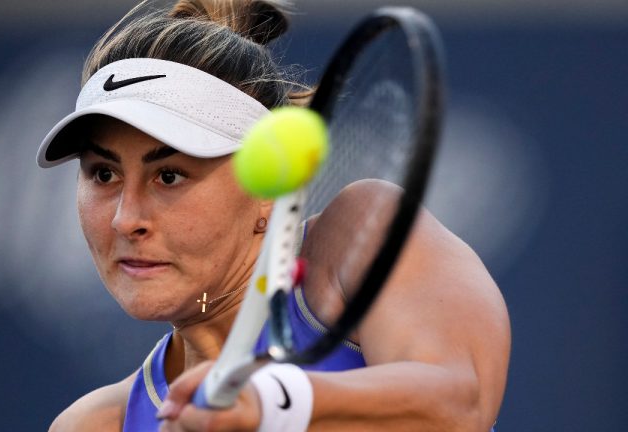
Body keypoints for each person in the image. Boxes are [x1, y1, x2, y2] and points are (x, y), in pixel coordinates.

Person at [37, 0, 511, 430]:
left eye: (170, 175)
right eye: (103, 174)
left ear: (268, 190)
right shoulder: (98, 424)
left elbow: (460, 404)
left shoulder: (358, 233)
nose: (126, 219)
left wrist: (274, 403)